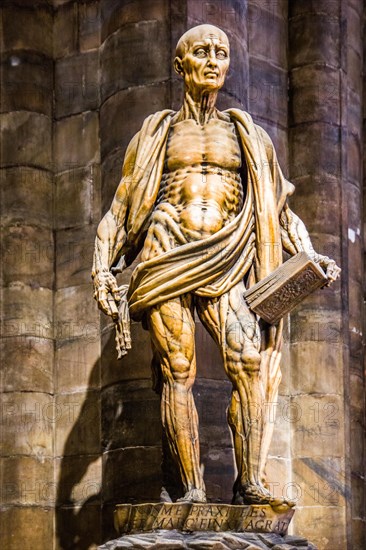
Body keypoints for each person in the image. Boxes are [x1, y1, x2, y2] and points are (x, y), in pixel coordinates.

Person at [92, 24, 340, 507]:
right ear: (180, 65)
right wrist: (102, 265)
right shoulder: (156, 132)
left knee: (248, 361)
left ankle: (250, 482)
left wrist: (308, 254)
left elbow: (278, 209)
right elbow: (121, 209)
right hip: (166, 250)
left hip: (229, 253)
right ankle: (190, 490)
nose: (212, 61)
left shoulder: (246, 135)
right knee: (177, 368)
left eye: (221, 53)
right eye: (201, 52)